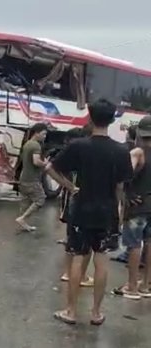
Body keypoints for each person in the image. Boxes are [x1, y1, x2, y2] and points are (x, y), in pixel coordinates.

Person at [46, 98, 133, 326]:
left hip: (82, 210)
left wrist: (70, 187)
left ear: (90, 117)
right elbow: (121, 188)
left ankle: (71, 311)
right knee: (101, 262)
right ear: (113, 118)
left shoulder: (79, 146)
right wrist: (121, 214)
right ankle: (95, 313)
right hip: (107, 212)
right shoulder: (121, 150)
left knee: (77, 258)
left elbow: (51, 168)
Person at [113, 116, 151, 300]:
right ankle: (146, 285)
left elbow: (123, 176)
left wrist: (124, 197)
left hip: (138, 206)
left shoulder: (138, 152)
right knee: (150, 243)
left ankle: (132, 286)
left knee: (134, 245)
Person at [59, 127, 94, 287]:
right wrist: (71, 187)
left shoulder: (70, 155)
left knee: (71, 238)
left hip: (70, 198)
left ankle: (68, 272)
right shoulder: (76, 156)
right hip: (74, 199)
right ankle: (75, 274)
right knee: (78, 240)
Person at [16, 123, 49, 231]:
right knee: (40, 199)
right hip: (32, 179)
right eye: (43, 134)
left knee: (25, 201)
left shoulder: (27, 144)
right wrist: (45, 163)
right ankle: (23, 218)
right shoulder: (36, 145)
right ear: (37, 133)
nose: (45, 136)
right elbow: (36, 161)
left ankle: (23, 223)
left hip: (23, 178)